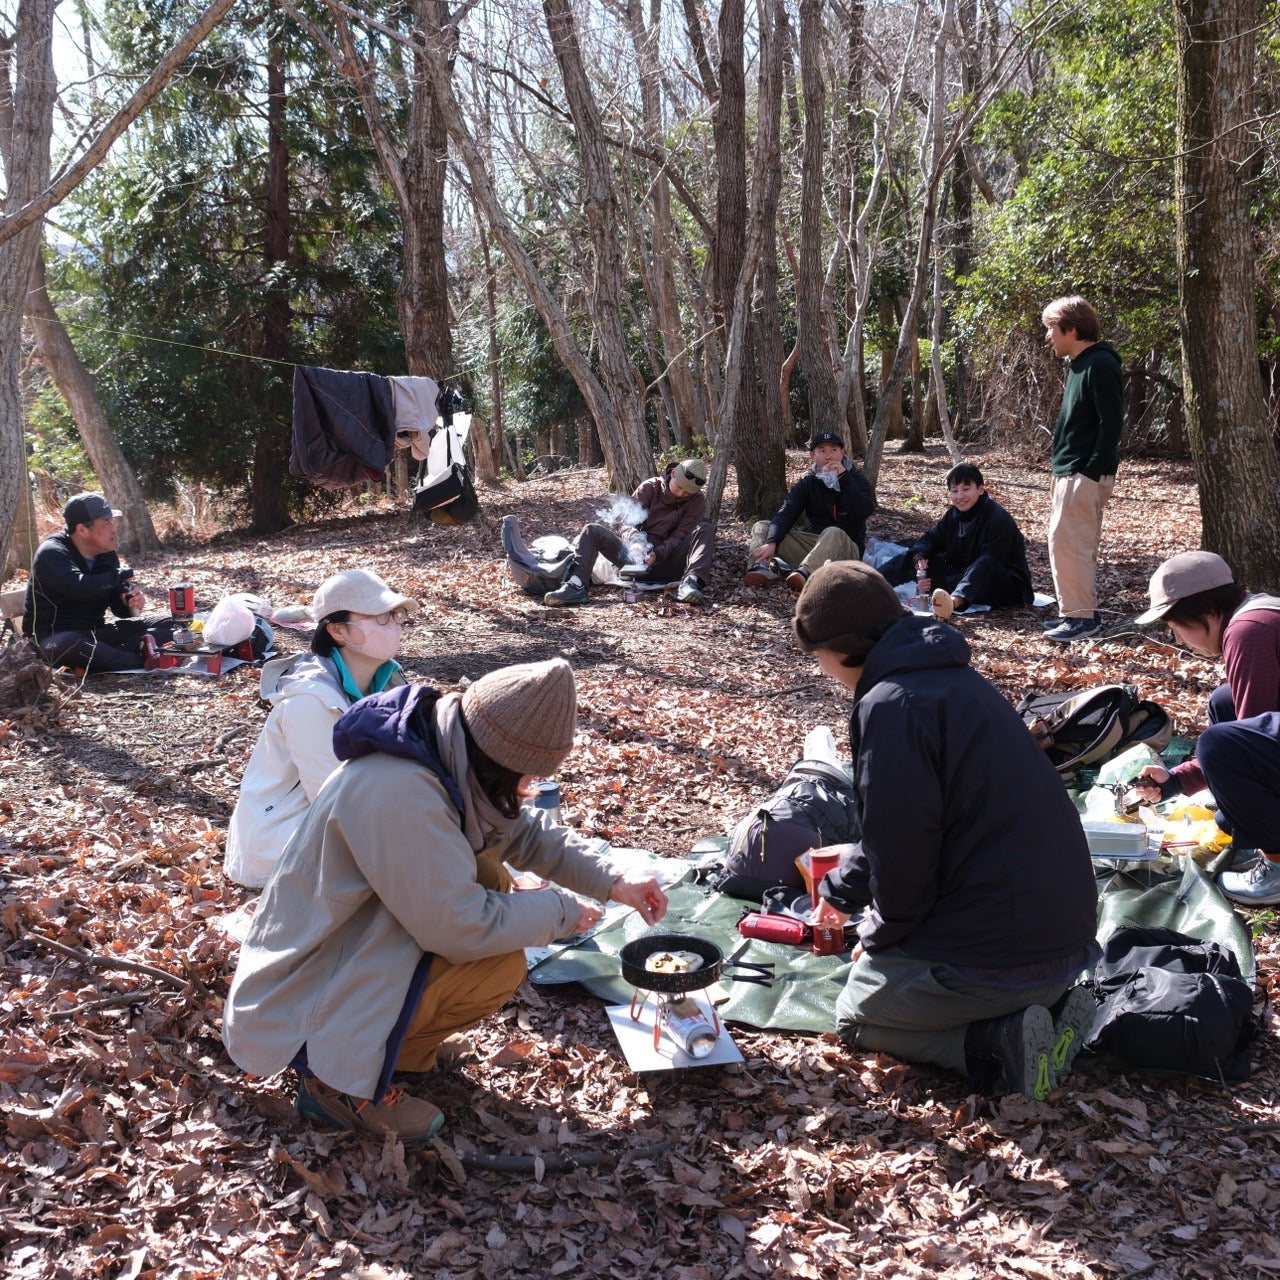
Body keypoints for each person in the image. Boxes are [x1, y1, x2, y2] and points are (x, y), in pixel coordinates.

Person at [222, 658, 669, 1142]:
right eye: (523, 778)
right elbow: (459, 926)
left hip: (357, 941)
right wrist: (561, 913)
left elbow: (520, 830)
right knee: (496, 959)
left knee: (492, 885)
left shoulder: (450, 747)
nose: (524, 791)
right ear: (496, 762)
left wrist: (614, 877)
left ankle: (391, 1053)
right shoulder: (399, 790)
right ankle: (333, 1083)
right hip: (307, 981)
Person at [792, 560, 1100, 1099]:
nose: (821, 670)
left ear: (841, 647)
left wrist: (878, 938)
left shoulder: (891, 705)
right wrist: (840, 894)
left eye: (816, 657)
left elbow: (905, 855)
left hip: (999, 958)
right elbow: (895, 829)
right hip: (1068, 944)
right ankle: (1048, 1012)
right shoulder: (951, 678)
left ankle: (997, 1042)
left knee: (856, 1015)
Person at [223, 569, 416, 889]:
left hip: (342, 826)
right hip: (280, 843)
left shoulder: (388, 681)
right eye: (380, 617)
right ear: (339, 631)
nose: (393, 624)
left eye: (395, 614)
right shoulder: (309, 701)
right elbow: (335, 802)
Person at [1130, 551, 1280, 906]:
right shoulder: (1259, 611)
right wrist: (1178, 781)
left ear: (1207, 610)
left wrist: (1233, 816)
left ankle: (1276, 862)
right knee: (1224, 701)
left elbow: (1247, 745)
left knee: (1219, 743)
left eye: (1176, 627)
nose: (1180, 640)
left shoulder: (1248, 632)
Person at [1040, 296, 1123, 642]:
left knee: (1073, 545)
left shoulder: (1100, 364)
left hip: (1083, 474)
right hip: (1070, 471)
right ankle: (1073, 613)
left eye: (1052, 329)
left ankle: (1082, 620)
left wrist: (1090, 471)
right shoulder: (1080, 364)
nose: (1048, 337)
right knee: (1062, 543)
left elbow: (1111, 423)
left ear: (1072, 329)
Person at [22, 492, 177, 673]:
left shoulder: (106, 553)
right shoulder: (52, 552)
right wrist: (118, 575)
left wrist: (129, 603)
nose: (113, 528)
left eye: (112, 521)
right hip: (53, 640)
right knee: (73, 645)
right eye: (106, 523)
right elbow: (80, 587)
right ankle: (146, 658)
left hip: (96, 635)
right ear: (82, 530)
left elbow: (119, 610)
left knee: (174, 624)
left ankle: (137, 653)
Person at [543, 458, 713, 607]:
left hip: (669, 562)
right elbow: (626, 522)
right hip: (632, 561)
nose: (682, 494)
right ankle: (576, 585)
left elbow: (680, 536)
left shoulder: (696, 501)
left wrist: (658, 554)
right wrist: (635, 541)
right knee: (591, 530)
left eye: (687, 492)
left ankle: (690, 584)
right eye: (680, 488)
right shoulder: (650, 488)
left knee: (705, 529)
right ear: (674, 473)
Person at [879, 462, 1033, 620]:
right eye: (954, 491)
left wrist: (939, 582)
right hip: (962, 575)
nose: (960, 497)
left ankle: (951, 604)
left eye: (966, 489)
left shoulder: (998, 520)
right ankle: (871, 584)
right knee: (913, 555)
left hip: (1004, 586)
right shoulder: (954, 515)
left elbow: (988, 566)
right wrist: (920, 558)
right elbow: (929, 540)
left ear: (980, 489)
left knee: (986, 562)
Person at [745, 432, 874, 593]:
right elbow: (787, 511)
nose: (829, 456)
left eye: (834, 450)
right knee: (762, 526)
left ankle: (806, 574)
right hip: (815, 546)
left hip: (847, 548)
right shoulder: (809, 483)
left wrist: (843, 477)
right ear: (813, 455)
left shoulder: (856, 479)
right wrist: (772, 541)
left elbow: (864, 511)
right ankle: (759, 568)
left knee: (833, 532)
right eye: (822, 451)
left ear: (842, 453)